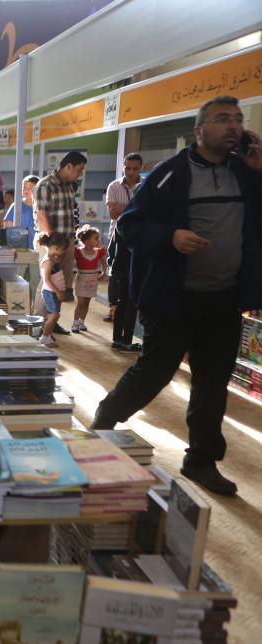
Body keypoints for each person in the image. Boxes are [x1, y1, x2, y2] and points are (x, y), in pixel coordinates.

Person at [91, 95, 262, 496]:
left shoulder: (246, 173)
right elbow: (131, 225)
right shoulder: (169, 173)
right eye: (222, 119)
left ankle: (201, 460)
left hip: (225, 298)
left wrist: (259, 171)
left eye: (238, 119)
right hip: (174, 297)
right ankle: (104, 421)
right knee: (156, 370)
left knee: (213, 382)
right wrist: (170, 236)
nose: (233, 126)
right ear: (199, 131)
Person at [34, 151, 87, 302]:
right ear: (68, 166)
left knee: (61, 285)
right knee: (47, 283)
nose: (80, 174)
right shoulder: (45, 185)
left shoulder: (69, 186)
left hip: (66, 241)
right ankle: (41, 316)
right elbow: (41, 215)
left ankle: (54, 316)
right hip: (50, 242)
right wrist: (53, 243)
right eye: (79, 169)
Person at [104, 153, 143, 329]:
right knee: (115, 275)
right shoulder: (114, 186)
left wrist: (122, 208)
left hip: (139, 238)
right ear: (123, 167)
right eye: (127, 168)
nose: (131, 172)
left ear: (140, 168)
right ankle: (113, 308)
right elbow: (112, 214)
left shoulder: (146, 186)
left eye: (135, 169)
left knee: (134, 275)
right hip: (117, 237)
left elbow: (146, 213)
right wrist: (135, 208)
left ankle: (132, 310)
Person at [70, 225, 107, 333]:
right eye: (96, 238)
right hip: (81, 279)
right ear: (86, 241)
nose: (98, 240)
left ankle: (82, 322)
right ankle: (75, 323)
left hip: (93, 280)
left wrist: (103, 273)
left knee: (86, 303)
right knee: (80, 303)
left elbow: (104, 263)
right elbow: (69, 262)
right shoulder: (78, 252)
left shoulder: (99, 252)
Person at [36, 232, 69, 348]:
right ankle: (44, 338)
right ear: (49, 247)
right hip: (50, 292)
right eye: (57, 249)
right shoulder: (47, 262)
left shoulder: (53, 259)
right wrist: (57, 292)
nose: (59, 252)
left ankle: (48, 335)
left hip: (54, 292)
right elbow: (47, 280)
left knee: (54, 316)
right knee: (54, 316)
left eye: (61, 250)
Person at [4, 175, 39, 249]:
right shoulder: (16, 205)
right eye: (24, 187)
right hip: (21, 247)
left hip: (39, 247)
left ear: (37, 188)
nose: (26, 190)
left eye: (30, 187)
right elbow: (8, 226)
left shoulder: (42, 205)